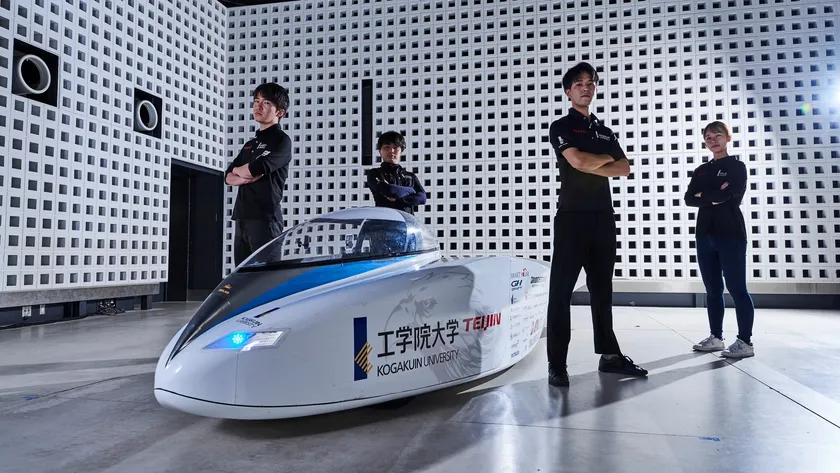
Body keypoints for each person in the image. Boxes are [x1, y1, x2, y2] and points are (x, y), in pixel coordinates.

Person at [545, 62, 648, 387]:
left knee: (602, 290)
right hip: (571, 218)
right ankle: (557, 364)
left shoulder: (605, 131)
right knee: (560, 292)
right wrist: (603, 159)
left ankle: (610, 357)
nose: (585, 88)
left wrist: (594, 163)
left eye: (590, 83)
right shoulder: (561, 126)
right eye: (579, 83)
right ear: (568, 91)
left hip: (603, 217)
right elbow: (577, 161)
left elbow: (625, 168)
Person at [684, 121, 755, 358]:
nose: (713, 141)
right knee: (713, 289)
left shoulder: (737, 167)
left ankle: (745, 342)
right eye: (708, 138)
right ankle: (716, 337)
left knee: (737, 288)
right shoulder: (701, 170)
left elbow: (731, 195)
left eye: (717, 136)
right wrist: (713, 195)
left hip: (730, 233)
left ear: (728, 138)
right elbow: (689, 199)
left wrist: (704, 195)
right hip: (704, 234)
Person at [225, 83, 292, 266]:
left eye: (266, 102)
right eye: (256, 101)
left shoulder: (282, 141)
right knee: (242, 274)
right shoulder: (250, 144)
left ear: (280, 112)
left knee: (266, 276)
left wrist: (243, 171)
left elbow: (257, 168)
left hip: (265, 218)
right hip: (242, 217)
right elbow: (228, 176)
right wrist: (242, 173)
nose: (258, 106)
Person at [365, 131, 427, 215]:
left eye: (395, 147)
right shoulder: (374, 173)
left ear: (401, 151)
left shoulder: (410, 176)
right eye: (387, 147)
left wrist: (400, 198)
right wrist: (411, 191)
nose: (391, 151)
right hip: (385, 220)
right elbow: (390, 190)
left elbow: (422, 198)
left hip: (407, 221)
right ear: (380, 151)